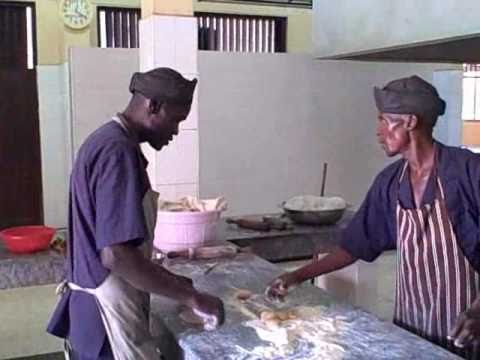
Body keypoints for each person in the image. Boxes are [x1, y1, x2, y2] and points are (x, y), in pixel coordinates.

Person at [267, 75, 480, 358]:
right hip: (412, 326)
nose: (379, 131)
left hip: (469, 329)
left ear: (409, 122)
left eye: (383, 120)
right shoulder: (391, 181)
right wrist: (297, 276)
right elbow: (354, 247)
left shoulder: (468, 171)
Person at [47, 67, 225, 360]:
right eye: (175, 120)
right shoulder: (118, 152)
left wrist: (171, 280)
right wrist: (192, 297)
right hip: (105, 321)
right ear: (153, 106)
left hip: (88, 317)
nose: (176, 131)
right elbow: (116, 256)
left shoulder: (104, 140)